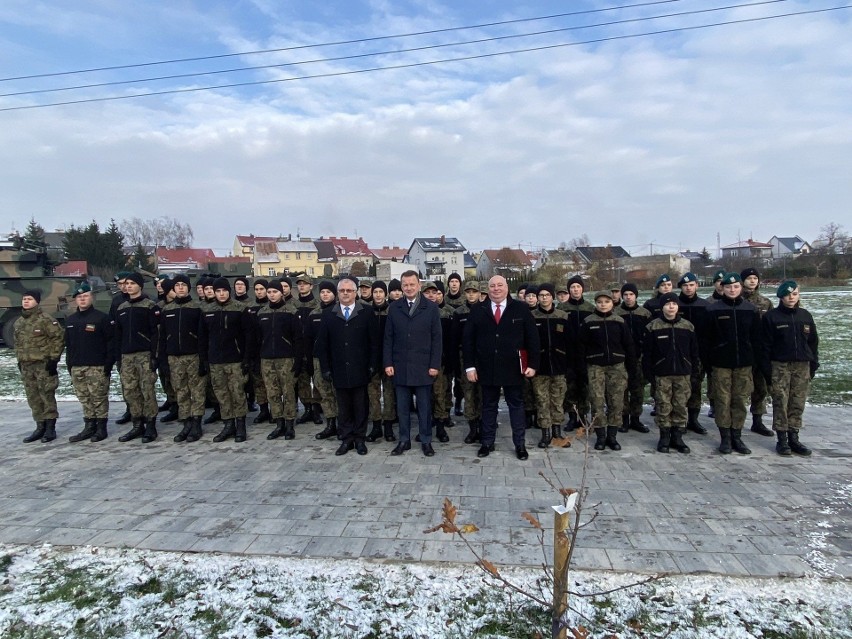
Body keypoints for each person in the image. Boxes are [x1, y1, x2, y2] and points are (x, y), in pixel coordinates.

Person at [463, 275, 540, 460]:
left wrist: (533, 365)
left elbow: (533, 339)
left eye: (500, 285)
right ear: (487, 289)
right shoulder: (478, 309)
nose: (496, 289)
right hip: (486, 367)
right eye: (492, 286)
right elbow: (468, 341)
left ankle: (520, 445)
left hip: (513, 368)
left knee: (516, 406)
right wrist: (469, 367)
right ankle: (487, 442)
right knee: (488, 406)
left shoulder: (520, 309)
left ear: (507, 287)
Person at [315, 276, 381, 455]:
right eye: (342, 291)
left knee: (361, 406)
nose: (345, 294)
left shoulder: (366, 313)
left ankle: (360, 438)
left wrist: (373, 365)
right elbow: (322, 344)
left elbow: (374, 343)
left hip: (361, 369)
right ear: (338, 293)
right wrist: (326, 368)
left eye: (349, 290)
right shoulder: (329, 314)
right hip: (339, 369)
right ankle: (346, 439)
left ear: (356, 293)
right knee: (343, 407)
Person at [702, 273, 762, 455]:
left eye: (735, 287)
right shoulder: (713, 310)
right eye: (728, 287)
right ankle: (725, 438)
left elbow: (757, 338)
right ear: (723, 289)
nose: (732, 290)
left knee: (739, 400)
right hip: (721, 364)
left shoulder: (750, 309)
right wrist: (708, 362)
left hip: (743, 364)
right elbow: (706, 339)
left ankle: (737, 436)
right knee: (722, 400)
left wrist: (755, 360)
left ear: (740, 288)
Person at [384, 271, 442, 457]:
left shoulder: (431, 308)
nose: (408, 288)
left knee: (424, 408)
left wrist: (434, 364)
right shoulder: (394, 308)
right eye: (405, 285)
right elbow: (388, 338)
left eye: (412, 284)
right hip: (400, 365)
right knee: (402, 407)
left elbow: (437, 339)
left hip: (423, 366)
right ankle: (404, 440)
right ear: (401, 286)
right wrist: (388, 363)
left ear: (418, 285)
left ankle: (426, 440)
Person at [761, 280, 818, 457]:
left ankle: (794, 436)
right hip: (781, 366)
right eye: (787, 295)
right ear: (781, 297)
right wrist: (767, 370)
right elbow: (765, 346)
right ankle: (782, 439)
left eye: (794, 294)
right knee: (781, 401)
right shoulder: (772, 317)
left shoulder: (805, 315)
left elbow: (813, 342)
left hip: (802, 365)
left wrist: (813, 363)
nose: (791, 298)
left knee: (797, 401)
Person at [579, 291, 636, 452]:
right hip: (595, 366)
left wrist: (630, 368)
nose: (603, 304)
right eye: (600, 302)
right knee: (597, 402)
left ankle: (612, 436)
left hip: (617, 366)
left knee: (616, 402)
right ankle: (601, 436)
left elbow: (629, 345)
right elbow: (581, 346)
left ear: (612, 303)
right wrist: (582, 369)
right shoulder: (589, 322)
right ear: (595, 304)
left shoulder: (619, 321)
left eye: (606, 301)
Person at [642, 292, 699, 454]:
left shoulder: (687, 326)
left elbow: (694, 352)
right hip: (662, 374)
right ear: (662, 307)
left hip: (683, 373)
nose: (671, 307)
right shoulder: (653, 327)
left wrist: (694, 370)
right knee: (663, 405)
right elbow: (647, 354)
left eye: (674, 304)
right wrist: (649, 373)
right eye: (667, 304)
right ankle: (664, 437)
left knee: (680, 405)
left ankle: (678, 437)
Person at [200, 277, 254, 443]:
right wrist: (204, 359)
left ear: (229, 291)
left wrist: (246, 358)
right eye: (218, 291)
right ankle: (228, 424)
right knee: (222, 394)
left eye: (224, 291)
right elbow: (203, 337)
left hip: (235, 360)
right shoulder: (207, 311)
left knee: (237, 393)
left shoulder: (240, 309)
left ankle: (240, 425)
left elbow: (249, 335)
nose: (221, 294)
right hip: (216, 360)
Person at [159, 273, 207, 443]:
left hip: (193, 356)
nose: (180, 287)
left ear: (188, 288)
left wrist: (203, 360)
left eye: (183, 285)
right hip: (174, 357)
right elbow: (162, 337)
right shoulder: (167, 310)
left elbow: (202, 336)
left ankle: (196, 423)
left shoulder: (196, 309)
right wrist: (163, 361)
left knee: (197, 392)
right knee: (181, 391)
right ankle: (186, 422)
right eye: (177, 285)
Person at [65, 282, 115, 444]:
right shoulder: (71, 320)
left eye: (85, 296)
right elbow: (69, 344)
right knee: (84, 397)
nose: (82, 299)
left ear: (91, 297)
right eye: (79, 297)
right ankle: (89, 426)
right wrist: (69, 364)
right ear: (75, 300)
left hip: (97, 365)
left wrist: (108, 364)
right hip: (77, 366)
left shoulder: (101, 318)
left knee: (98, 397)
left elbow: (110, 342)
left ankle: (101, 427)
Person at [114, 272, 161, 444]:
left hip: (144, 355)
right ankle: (137, 424)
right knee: (130, 391)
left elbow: (156, 332)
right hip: (127, 356)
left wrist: (155, 356)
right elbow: (118, 334)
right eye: (126, 284)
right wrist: (118, 357)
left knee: (147, 390)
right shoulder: (122, 308)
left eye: (132, 283)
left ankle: (150, 425)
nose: (129, 286)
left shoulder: (150, 306)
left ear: (140, 286)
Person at [254, 280, 303, 441]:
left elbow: (298, 338)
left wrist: (297, 360)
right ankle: (279, 423)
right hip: (267, 359)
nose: (272, 295)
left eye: (275, 292)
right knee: (272, 393)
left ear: (282, 293)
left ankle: (289, 424)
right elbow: (257, 338)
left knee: (288, 392)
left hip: (286, 359)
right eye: (269, 292)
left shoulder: (291, 311)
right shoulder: (262, 313)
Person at [16, 289, 65, 443]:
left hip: (43, 364)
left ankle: (50, 428)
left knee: (46, 394)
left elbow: (58, 338)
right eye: (24, 299)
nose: (26, 301)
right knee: (33, 397)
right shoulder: (19, 322)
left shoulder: (46, 320)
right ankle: (40, 426)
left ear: (37, 301)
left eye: (29, 299)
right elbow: (17, 343)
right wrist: (19, 360)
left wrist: (53, 360)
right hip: (26, 365)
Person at [530, 283, 570, 448]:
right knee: (542, 401)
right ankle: (545, 433)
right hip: (539, 367)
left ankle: (557, 433)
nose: (544, 298)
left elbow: (572, 343)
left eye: (547, 295)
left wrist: (569, 366)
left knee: (557, 400)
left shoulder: (563, 316)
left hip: (559, 366)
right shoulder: (531, 317)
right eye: (541, 295)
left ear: (552, 296)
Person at [741, 267, 774, 437]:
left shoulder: (765, 302)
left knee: (760, 387)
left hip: (760, 351)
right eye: (749, 278)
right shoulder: (737, 300)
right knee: (740, 388)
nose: (752, 281)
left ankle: (757, 421)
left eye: (755, 278)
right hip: (742, 350)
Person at [614, 283, 651, 433]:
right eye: (626, 295)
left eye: (631, 294)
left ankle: (636, 419)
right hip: (621, 357)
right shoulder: (616, 313)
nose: (628, 297)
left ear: (636, 296)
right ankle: (624, 419)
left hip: (639, 357)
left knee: (637, 389)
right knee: (622, 389)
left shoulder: (645, 314)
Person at [676, 272, 710, 435]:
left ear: (697, 285)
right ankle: (679, 420)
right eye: (685, 285)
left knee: (695, 386)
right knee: (680, 388)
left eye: (691, 285)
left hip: (699, 352)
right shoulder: (675, 305)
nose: (688, 288)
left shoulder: (704, 306)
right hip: (679, 353)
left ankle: (693, 419)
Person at [559, 275, 594, 430]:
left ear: (582, 289)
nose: (575, 289)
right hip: (568, 352)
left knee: (584, 386)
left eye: (578, 287)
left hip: (586, 353)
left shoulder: (590, 308)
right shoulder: (562, 309)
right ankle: (573, 417)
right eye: (572, 287)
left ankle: (583, 416)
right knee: (570, 386)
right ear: (569, 290)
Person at [366, 281, 397, 442]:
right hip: (371, 359)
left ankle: (389, 425)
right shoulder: (366, 311)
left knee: (389, 393)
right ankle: (376, 425)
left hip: (389, 359)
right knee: (373, 394)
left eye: (381, 292)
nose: (378, 295)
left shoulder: (393, 311)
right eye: (375, 291)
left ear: (385, 294)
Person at [309, 281, 340, 440]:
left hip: (337, 358)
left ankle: (342, 423)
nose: (325, 294)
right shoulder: (314, 313)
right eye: (322, 292)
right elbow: (308, 338)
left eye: (328, 291)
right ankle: (330, 424)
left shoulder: (340, 311)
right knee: (324, 392)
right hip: (318, 359)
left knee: (339, 392)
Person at [453, 281, 483, 444]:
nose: (471, 294)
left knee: (484, 395)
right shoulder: (459, 312)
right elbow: (455, 338)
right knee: (469, 394)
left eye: (474, 292)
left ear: (479, 293)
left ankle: (484, 427)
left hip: (483, 358)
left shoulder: (485, 310)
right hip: (465, 357)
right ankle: (473, 429)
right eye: (468, 292)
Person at [423, 281, 453, 444]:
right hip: (421, 362)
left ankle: (441, 428)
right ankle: (426, 427)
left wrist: (448, 360)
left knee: (439, 394)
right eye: (427, 293)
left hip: (440, 361)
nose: (431, 295)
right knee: (424, 396)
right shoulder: (418, 312)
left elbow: (450, 340)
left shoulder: (445, 313)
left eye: (433, 293)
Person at [293, 274, 323, 426]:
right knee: (303, 382)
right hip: (299, 350)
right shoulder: (294, 306)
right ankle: (307, 409)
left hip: (315, 349)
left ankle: (317, 409)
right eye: (299, 284)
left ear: (311, 286)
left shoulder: (318, 306)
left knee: (318, 381)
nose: (302, 286)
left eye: (305, 284)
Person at [248, 278, 272, 425]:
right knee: (258, 383)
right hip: (255, 350)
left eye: (262, 289)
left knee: (271, 383)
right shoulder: (251, 308)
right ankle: (263, 409)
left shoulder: (271, 307)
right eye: (257, 289)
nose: (259, 292)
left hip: (268, 349)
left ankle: (275, 410)